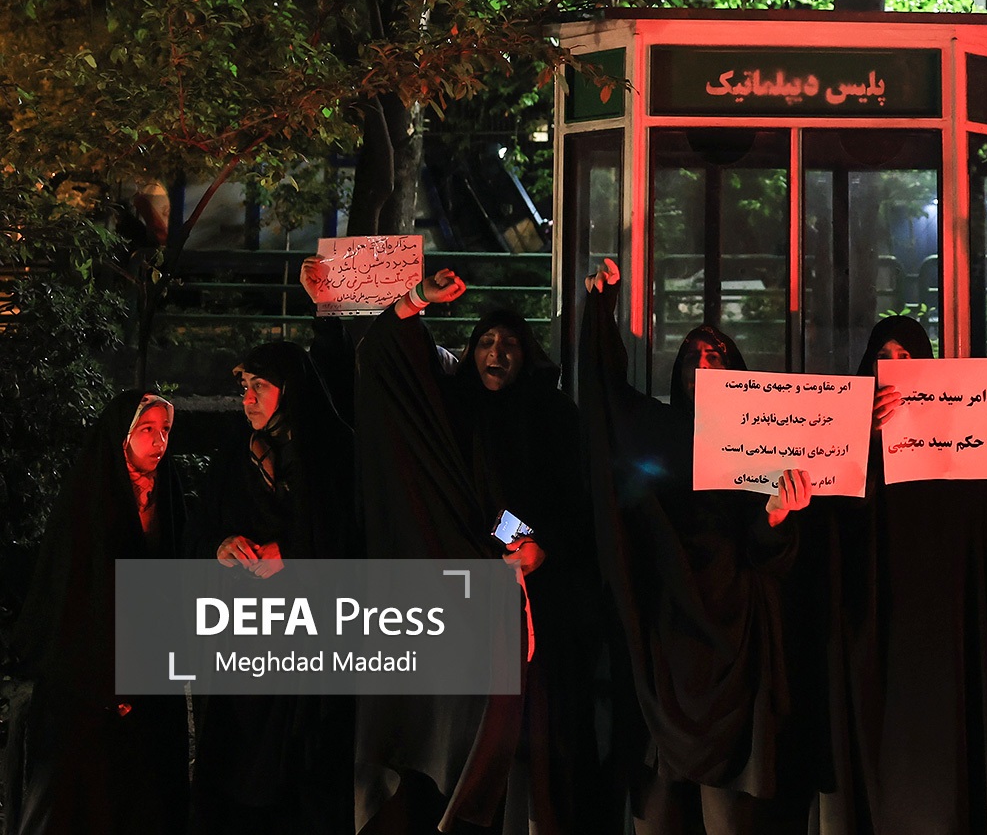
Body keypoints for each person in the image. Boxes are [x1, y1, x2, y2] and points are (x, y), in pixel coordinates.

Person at [578, 258, 810, 835]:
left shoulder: (764, 437)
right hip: (666, 630)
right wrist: (602, 308)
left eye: (717, 356)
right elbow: (605, 395)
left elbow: (771, 548)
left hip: (735, 634)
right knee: (658, 805)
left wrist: (778, 513)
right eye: (692, 357)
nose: (704, 365)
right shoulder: (656, 429)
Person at [354, 270, 591, 834]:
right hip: (462, 598)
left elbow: (578, 505)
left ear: (527, 355)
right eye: (485, 341)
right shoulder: (454, 410)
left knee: (527, 738)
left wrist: (544, 548)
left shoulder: (555, 417)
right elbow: (385, 361)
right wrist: (417, 299)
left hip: (537, 602)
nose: (496, 353)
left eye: (509, 343)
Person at [845, 314, 987, 835]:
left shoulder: (960, 434)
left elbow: (981, 519)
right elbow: (840, 523)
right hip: (879, 611)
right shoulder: (848, 434)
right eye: (883, 358)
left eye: (906, 357)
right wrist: (863, 439)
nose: (894, 367)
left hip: (950, 613)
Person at [187, 342, 357, 835]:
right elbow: (199, 529)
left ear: (290, 389)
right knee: (237, 764)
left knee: (304, 767)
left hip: (310, 639)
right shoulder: (234, 454)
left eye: (259, 387)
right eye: (244, 388)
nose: (248, 400)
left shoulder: (334, 454)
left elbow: (355, 539)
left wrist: (293, 555)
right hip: (242, 637)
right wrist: (220, 546)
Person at [5, 391, 188, 835]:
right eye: (147, 430)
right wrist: (109, 677)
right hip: (91, 674)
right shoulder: (91, 497)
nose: (159, 441)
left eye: (165, 430)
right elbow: (75, 595)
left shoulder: (168, 493)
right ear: (121, 436)